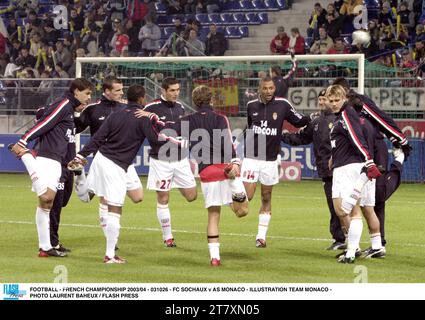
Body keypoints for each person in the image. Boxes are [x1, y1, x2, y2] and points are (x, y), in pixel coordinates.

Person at [137, 85, 249, 266]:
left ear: (195, 102)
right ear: (211, 100)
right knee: (242, 211)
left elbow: (166, 127)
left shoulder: (186, 120)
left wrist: (152, 116)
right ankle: (236, 193)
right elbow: (228, 144)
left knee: (213, 216)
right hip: (224, 168)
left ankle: (215, 258)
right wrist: (235, 162)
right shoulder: (221, 118)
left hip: (206, 172)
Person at [68, 85, 166, 263]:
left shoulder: (116, 114)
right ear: (143, 99)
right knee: (115, 208)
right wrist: (153, 118)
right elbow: (156, 140)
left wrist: (81, 154)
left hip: (105, 159)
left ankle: (81, 175)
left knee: (136, 196)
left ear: (127, 98)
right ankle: (110, 255)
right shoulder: (143, 118)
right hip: (114, 165)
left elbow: (98, 138)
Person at [8, 78, 93, 257]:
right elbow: (44, 123)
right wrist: (23, 140)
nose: (89, 97)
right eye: (87, 93)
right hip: (47, 157)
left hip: (57, 160)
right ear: (76, 91)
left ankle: (45, 247)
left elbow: (46, 117)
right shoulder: (64, 104)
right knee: (46, 198)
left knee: (47, 203)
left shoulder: (69, 109)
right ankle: (26, 156)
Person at [332, 77, 411, 248]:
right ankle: (370, 244)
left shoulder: (359, 103)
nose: (333, 100)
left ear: (345, 92)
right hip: (357, 157)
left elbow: (381, 119)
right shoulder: (340, 112)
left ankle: (373, 244)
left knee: (376, 197)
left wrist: (401, 140)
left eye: (337, 96)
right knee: (366, 203)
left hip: (373, 150)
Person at [241, 76, 311, 248]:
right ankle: (231, 191)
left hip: (270, 159)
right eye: (265, 88)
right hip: (252, 157)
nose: (268, 91)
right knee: (246, 196)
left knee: (266, 196)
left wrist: (314, 117)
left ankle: (261, 236)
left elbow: (299, 120)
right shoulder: (251, 106)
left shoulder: (283, 105)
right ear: (259, 89)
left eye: (271, 88)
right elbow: (250, 128)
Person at [74, 76, 142, 248]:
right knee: (106, 200)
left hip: (124, 161)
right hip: (104, 161)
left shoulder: (126, 107)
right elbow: (75, 128)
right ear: (107, 91)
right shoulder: (92, 110)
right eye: (117, 90)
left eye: (122, 89)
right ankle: (110, 239)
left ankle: (81, 181)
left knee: (137, 196)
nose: (121, 93)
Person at [282, 90, 346, 250]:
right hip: (326, 171)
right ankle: (341, 238)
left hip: (343, 169)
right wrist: (283, 136)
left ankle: (349, 239)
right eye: (321, 99)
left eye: (326, 99)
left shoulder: (342, 119)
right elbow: (301, 137)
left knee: (344, 206)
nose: (323, 102)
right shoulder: (316, 121)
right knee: (335, 207)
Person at [326, 84, 382, 263]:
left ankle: (351, 252)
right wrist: (333, 157)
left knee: (351, 210)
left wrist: (368, 160)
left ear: (344, 99)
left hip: (350, 168)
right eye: (331, 100)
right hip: (341, 166)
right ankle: (354, 248)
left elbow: (357, 138)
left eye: (337, 100)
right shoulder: (340, 117)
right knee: (341, 210)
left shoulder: (346, 114)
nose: (334, 103)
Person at [143, 77, 197, 247]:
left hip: (181, 160)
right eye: (172, 90)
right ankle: (168, 237)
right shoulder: (151, 108)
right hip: (161, 161)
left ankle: (172, 184)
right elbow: (145, 128)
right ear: (164, 90)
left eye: (178, 90)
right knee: (163, 198)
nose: (176, 93)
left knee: (192, 196)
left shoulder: (180, 107)